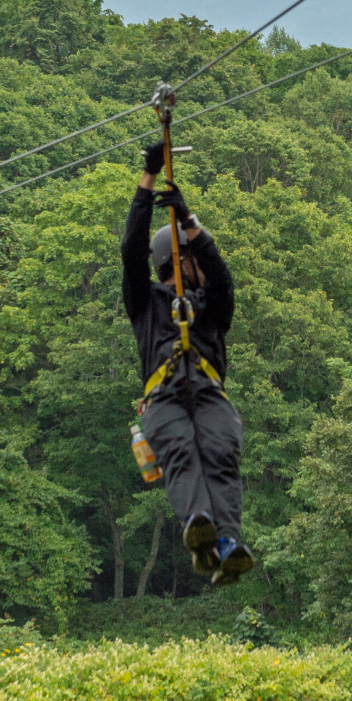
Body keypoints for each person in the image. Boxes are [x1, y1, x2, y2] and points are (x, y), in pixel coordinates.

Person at [123, 142, 253, 584]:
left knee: (221, 453)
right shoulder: (145, 303)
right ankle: (199, 526)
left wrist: (189, 220)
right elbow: (130, 249)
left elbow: (221, 277)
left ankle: (227, 544)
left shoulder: (213, 305)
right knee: (181, 454)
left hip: (209, 394)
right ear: (179, 262)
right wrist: (149, 178)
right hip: (164, 400)